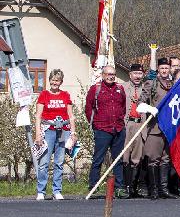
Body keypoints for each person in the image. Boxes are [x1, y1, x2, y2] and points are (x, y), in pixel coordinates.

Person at [84, 65, 129, 198]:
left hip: (119, 129)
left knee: (118, 160)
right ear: (103, 75)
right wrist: (94, 124)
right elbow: (88, 108)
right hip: (102, 129)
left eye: (113, 74)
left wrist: (120, 122)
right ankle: (94, 186)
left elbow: (123, 107)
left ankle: (119, 188)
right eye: (108, 74)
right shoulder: (95, 89)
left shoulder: (120, 89)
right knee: (98, 159)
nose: (111, 76)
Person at [34, 69, 76, 201]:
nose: (54, 82)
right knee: (44, 162)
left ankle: (57, 190)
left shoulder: (65, 95)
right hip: (48, 130)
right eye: (52, 80)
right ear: (49, 80)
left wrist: (73, 133)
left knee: (59, 161)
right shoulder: (44, 95)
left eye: (57, 80)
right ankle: (41, 191)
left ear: (61, 82)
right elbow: (38, 116)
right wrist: (38, 134)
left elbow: (71, 116)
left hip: (63, 130)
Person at [142, 57, 176, 199]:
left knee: (166, 159)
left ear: (169, 69)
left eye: (166, 68)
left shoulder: (174, 84)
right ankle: (154, 189)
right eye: (161, 68)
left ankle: (164, 189)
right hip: (155, 126)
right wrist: (151, 109)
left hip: (169, 127)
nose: (164, 71)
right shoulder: (151, 84)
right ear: (158, 70)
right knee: (153, 158)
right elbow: (141, 102)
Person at [120, 62, 148, 197]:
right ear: (130, 75)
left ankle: (135, 186)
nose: (137, 76)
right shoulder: (122, 87)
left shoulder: (146, 88)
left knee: (137, 156)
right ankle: (126, 186)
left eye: (140, 74)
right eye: (135, 73)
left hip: (141, 124)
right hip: (127, 124)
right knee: (125, 155)